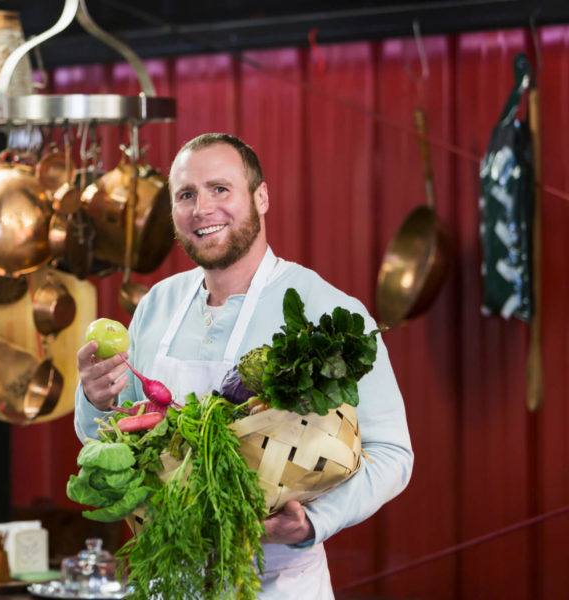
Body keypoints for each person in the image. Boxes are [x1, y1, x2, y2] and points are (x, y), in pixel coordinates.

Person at [74, 132, 413, 599]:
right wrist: (95, 399)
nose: (202, 209)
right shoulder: (158, 305)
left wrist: (315, 521)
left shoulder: (327, 311)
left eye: (220, 189)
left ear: (261, 196)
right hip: (169, 578)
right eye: (186, 195)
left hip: (276, 584)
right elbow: (110, 441)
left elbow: (393, 453)